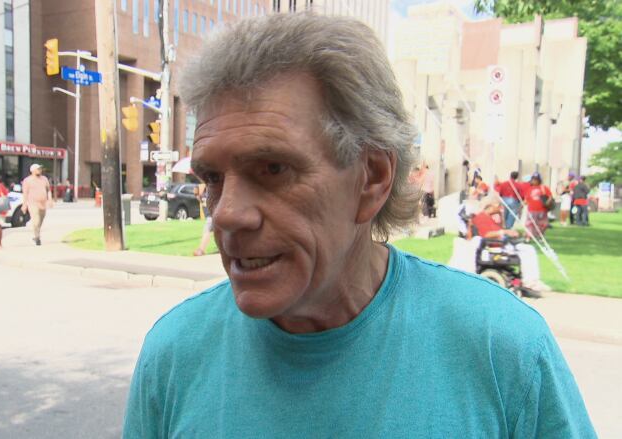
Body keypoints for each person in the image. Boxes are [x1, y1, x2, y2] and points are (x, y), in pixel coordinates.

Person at [123, 14, 595, 438]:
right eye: (212, 178)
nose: (225, 212)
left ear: (372, 178)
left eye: (272, 169)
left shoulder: (502, 349)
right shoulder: (175, 355)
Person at [470, 198, 549, 292]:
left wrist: (503, 224)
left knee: (528, 248)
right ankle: (530, 282)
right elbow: (486, 235)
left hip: (502, 244)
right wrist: (504, 232)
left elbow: (501, 230)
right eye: (499, 206)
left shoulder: (491, 217)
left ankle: (532, 280)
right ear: (490, 206)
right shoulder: (481, 217)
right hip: (495, 247)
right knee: (528, 251)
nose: (501, 209)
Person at [21, 163, 53, 246]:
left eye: (40, 169)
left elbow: (48, 190)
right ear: (33, 171)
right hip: (33, 203)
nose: (40, 170)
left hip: (43, 203)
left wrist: (50, 200)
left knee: (40, 220)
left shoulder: (44, 179)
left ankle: (36, 234)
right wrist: (24, 204)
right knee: (36, 220)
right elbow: (25, 193)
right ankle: (37, 237)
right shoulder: (27, 180)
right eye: (38, 169)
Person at [523, 172, 553, 240]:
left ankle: (540, 236)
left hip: (542, 209)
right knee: (530, 224)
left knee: (542, 224)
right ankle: (529, 236)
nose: (534, 181)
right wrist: (522, 205)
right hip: (531, 209)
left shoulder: (544, 188)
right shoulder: (530, 189)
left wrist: (548, 202)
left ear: (539, 180)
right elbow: (526, 199)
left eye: (536, 179)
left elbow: (550, 196)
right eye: (533, 179)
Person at [193, 183, 213, 256]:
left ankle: (201, 250)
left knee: (207, 230)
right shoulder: (202, 189)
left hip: (212, 215)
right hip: (209, 214)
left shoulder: (211, 189)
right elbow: (197, 196)